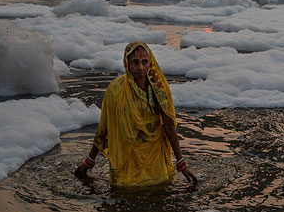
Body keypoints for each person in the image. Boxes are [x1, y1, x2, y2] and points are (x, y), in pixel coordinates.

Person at [75, 41, 197, 187]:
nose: (140, 67)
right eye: (135, 62)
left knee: (159, 191)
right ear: (127, 64)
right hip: (127, 159)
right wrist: (88, 163)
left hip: (154, 159)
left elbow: (169, 127)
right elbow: (104, 128)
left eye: (144, 62)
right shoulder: (115, 90)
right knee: (124, 190)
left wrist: (182, 164)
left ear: (150, 63)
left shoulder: (158, 90)